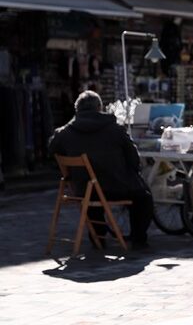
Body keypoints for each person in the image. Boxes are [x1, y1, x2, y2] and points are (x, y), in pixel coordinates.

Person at [49, 90, 153, 249]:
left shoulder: (64, 133)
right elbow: (134, 158)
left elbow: (52, 150)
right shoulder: (115, 129)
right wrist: (132, 172)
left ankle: (98, 236)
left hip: (83, 189)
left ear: (77, 110)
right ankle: (139, 239)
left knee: (91, 187)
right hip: (117, 187)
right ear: (99, 108)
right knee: (144, 197)